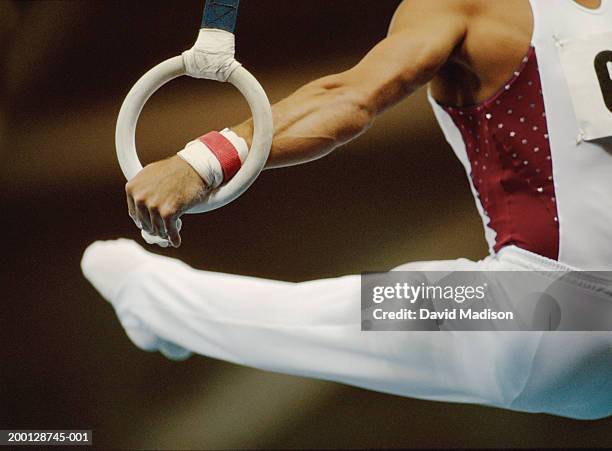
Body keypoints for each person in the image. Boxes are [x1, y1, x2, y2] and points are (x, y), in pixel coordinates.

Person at [82, 0, 612, 419]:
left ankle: (150, 300)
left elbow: (348, 99)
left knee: (339, 316)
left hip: (542, 309)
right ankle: (161, 308)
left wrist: (204, 161)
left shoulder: (475, 8)